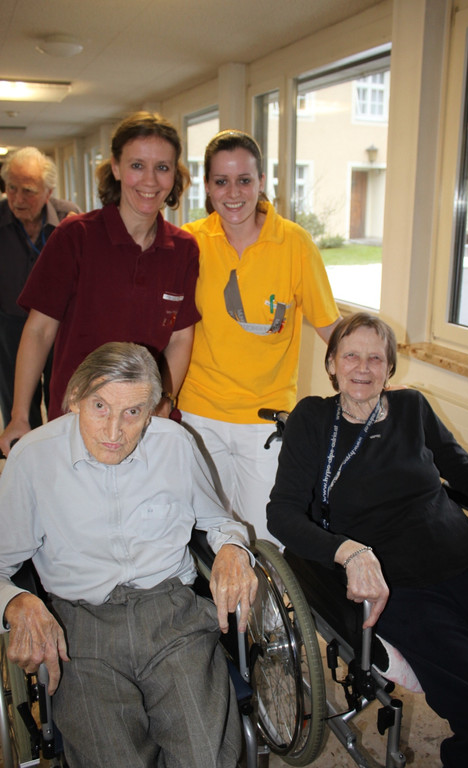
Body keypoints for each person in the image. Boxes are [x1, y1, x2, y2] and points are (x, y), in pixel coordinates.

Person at [267, 311, 468, 768]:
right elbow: (282, 513)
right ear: (332, 364)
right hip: (400, 588)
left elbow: (463, 468)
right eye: (351, 356)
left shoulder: (412, 407)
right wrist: (349, 552)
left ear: (390, 368)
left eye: (375, 358)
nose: (363, 368)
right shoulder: (313, 419)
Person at [0, 342, 258, 768]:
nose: (114, 431)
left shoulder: (175, 444)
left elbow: (218, 521)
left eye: (133, 412)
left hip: (172, 618)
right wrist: (17, 601)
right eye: (100, 406)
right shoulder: (33, 457)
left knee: (205, 757)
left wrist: (232, 548)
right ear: (74, 398)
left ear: (152, 411)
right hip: (80, 631)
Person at [0, 111, 200, 457]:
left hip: (143, 423)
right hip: (76, 419)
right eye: (137, 165)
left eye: (162, 167)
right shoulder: (75, 236)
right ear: (116, 168)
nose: (150, 180)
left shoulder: (183, 249)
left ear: (174, 174)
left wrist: (165, 400)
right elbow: (39, 331)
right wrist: (19, 416)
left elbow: (180, 338)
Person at [180, 129, 340, 541]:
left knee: (267, 538)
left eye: (244, 180)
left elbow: (329, 326)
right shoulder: (191, 242)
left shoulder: (294, 243)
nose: (233, 193)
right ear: (207, 185)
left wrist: (374, 375)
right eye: (221, 181)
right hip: (199, 414)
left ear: (262, 181)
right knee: (207, 534)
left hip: (266, 420)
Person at [0, 147, 81, 431]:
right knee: (17, 401)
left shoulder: (69, 219)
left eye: (28, 191)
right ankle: (22, 448)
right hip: (10, 324)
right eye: (11, 188)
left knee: (61, 397)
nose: (18, 198)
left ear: (48, 192)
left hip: (58, 325)